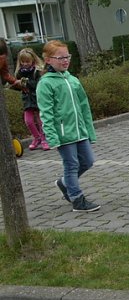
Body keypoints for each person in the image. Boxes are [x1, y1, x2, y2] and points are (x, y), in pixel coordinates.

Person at [36, 40, 100, 212]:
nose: (65, 60)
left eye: (67, 56)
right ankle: (77, 199)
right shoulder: (46, 83)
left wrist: (89, 131)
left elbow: (84, 107)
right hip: (63, 134)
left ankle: (64, 183)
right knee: (71, 165)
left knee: (87, 161)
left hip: (80, 131)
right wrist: (52, 137)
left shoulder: (72, 80)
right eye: (60, 57)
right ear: (48, 60)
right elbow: (46, 113)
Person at [15, 48, 50, 150]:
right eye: (23, 61)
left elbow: (37, 85)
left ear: (33, 61)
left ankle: (44, 139)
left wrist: (25, 82)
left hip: (37, 99)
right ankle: (37, 137)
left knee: (40, 121)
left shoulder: (37, 71)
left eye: (27, 61)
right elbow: (18, 85)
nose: (25, 64)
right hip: (27, 100)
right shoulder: (20, 73)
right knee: (28, 121)